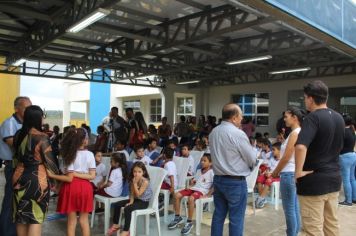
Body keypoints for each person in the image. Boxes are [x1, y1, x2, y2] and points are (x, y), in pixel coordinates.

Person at [295, 80, 344, 236]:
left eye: (305, 98)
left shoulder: (312, 118)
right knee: (331, 225)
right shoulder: (339, 118)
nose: (305, 101)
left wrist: (298, 171)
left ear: (310, 98)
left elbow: (301, 146)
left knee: (312, 229)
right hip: (334, 179)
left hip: (314, 182)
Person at [209, 103, 257, 236]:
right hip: (235, 182)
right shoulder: (238, 133)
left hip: (218, 180)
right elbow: (252, 159)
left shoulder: (214, 132)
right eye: (240, 116)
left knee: (218, 215)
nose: (242, 119)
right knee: (236, 219)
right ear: (234, 117)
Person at [12, 105, 59, 236]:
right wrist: (57, 181)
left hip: (18, 177)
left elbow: (15, 157)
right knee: (35, 218)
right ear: (38, 119)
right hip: (37, 179)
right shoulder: (42, 137)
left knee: (21, 216)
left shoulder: (18, 135)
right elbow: (51, 165)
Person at [48, 128, 96, 236]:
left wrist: (52, 175)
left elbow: (69, 178)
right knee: (84, 221)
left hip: (71, 188)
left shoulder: (69, 154)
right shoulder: (90, 155)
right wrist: (76, 174)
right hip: (85, 188)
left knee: (71, 222)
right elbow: (92, 176)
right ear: (84, 140)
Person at [0, 96, 31, 236]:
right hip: (13, 167)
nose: (29, 111)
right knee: (10, 201)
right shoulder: (10, 123)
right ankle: (6, 232)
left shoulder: (26, 124)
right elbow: (15, 144)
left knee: (20, 202)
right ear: (16, 108)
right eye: (26, 108)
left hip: (23, 167)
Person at [272, 107, 305, 236]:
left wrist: (275, 171)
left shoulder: (296, 133)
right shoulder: (296, 132)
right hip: (292, 172)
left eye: (286, 117)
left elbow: (286, 157)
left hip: (288, 173)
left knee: (289, 208)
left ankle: (292, 233)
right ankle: (294, 233)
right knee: (294, 206)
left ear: (295, 117)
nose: (284, 119)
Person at [168, 153, 214, 235]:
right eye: (201, 160)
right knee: (176, 195)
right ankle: (177, 217)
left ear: (210, 163)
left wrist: (208, 195)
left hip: (202, 191)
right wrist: (190, 185)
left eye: (204, 161)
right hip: (194, 189)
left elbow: (215, 185)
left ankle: (189, 222)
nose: (202, 162)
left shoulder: (211, 172)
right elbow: (195, 182)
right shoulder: (199, 171)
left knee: (191, 199)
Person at [107, 162, 153, 236]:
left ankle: (126, 230)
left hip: (143, 202)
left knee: (127, 209)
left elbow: (138, 194)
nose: (136, 174)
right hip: (136, 200)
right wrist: (131, 201)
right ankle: (116, 224)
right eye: (134, 171)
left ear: (143, 172)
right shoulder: (133, 180)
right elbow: (131, 193)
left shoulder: (145, 181)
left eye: (139, 172)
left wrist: (135, 183)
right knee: (117, 204)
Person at [255, 142, 281, 208]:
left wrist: (271, 174)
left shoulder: (282, 161)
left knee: (268, 180)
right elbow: (268, 168)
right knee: (260, 178)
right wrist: (266, 172)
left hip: (277, 176)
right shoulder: (272, 159)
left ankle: (260, 199)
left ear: (279, 150)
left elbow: (280, 172)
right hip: (270, 174)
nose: (272, 151)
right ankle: (262, 198)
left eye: (274, 149)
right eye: (272, 149)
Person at [338, 114, 356, 206]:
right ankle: (354, 198)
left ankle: (348, 201)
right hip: (353, 155)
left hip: (345, 157)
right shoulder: (352, 131)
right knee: (352, 178)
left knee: (346, 180)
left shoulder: (343, 132)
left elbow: (339, 146)